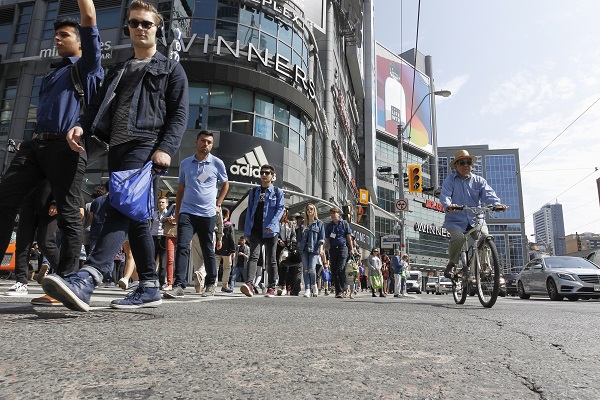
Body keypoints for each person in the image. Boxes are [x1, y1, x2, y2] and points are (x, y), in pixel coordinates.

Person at [41, 0, 189, 311]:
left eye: (146, 23)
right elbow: (96, 108)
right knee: (135, 217)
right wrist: (81, 126)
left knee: (117, 205)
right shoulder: (119, 69)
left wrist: (166, 148)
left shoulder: (171, 69)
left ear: (157, 29)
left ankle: (88, 278)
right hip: (117, 146)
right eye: (134, 23)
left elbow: (178, 114)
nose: (139, 28)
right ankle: (149, 285)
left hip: (145, 144)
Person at [0, 0, 103, 303]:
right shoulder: (52, 73)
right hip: (36, 146)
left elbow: (89, 17)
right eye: (55, 35)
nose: (57, 39)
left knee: (69, 214)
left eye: (64, 35)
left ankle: (69, 283)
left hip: (67, 147)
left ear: (81, 40)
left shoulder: (87, 67)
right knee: (5, 198)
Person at [165, 130, 229, 299]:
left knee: (208, 249)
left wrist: (218, 204)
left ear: (212, 145)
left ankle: (210, 284)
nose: (205, 144)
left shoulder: (217, 163)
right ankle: (179, 285)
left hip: (207, 214)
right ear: (196, 142)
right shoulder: (186, 163)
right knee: (183, 247)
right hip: (187, 212)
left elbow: (225, 185)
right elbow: (180, 190)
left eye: (209, 142)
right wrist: (178, 214)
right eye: (203, 141)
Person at [439, 150, 507, 278]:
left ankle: (484, 266)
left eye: (468, 162)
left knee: (485, 236)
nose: (466, 165)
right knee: (459, 238)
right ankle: (452, 263)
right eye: (462, 162)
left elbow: (488, 194)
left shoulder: (479, 180)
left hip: (476, 219)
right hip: (456, 220)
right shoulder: (450, 180)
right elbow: (445, 195)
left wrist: (497, 204)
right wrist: (449, 206)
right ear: (456, 165)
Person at [4, 181, 59, 299]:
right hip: (28, 200)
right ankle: (21, 282)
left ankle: (68, 275)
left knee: (46, 242)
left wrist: (56, 200)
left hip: (49, 199)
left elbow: (63, 176)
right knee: (23, 242)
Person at [240, 165, 285, 298]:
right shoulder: (254, 192)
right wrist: (247, 232)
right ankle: (249, 284)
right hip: (256, 230)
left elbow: (280, 209)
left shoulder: (277, 192)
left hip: (271, 231)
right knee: (253, 256)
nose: (264, 175)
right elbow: (249, 213)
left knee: (271, 259)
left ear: (272, 176)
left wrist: (272, 224)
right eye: (262, 173)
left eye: (267, 173)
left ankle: (271, 287)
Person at [324, 206, 355, 299]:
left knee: (340, 269)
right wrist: (323, 249)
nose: (333, 215)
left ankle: (341, 290)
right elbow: (327, 239)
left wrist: (352, 248)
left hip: (343, 248)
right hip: (333, 249)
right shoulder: (329, 226)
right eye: (331, 214)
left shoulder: (344, 223)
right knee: (333, 270)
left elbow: (349, 236)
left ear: (339, 214)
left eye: (334, 213)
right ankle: (339, 290)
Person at [297, 203, 325, 298]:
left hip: (314, 249)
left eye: (311, 209)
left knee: (312, 269)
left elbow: (322, 238)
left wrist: (321, 249)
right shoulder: (302, 224)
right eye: (307, 209)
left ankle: (314, 285)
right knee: (305, 270)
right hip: (304, 249)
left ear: (314, 211)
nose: (309, 211)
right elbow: (299, 239)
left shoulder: (319, 223)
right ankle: (307, 289)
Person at [149, 196, 169, 290]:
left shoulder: (169, 214)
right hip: (153, 237)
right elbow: (150, 226)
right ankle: (151, 280)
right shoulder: (154, 214)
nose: (161, 204)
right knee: (151, 260)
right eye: (159, 202)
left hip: (163, 237)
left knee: (163, 261)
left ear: (167, 204)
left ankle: (161, 282)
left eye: (163, 202)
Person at [215, 207, 235, 292]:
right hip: (227, 251)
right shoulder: (229, 225)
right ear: (227, 215)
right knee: (227, 267)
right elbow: (232, 238)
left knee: (215, 268)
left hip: (216, 249)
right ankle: (224, 285)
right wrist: (233, 250)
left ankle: (213, 285)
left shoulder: (216, 223)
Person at [276, 208, 296, 295]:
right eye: (282, 211)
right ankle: (281, 285)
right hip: (278, 247)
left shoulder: (290, 223)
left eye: (284, 211)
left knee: (286, 267)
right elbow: (275, 233)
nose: (283, 213)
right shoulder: (277, 222)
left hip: (288, 247)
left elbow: (293, 235)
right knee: (279, 266)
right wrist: (278, 240)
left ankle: (285, 286)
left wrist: (293, 244)